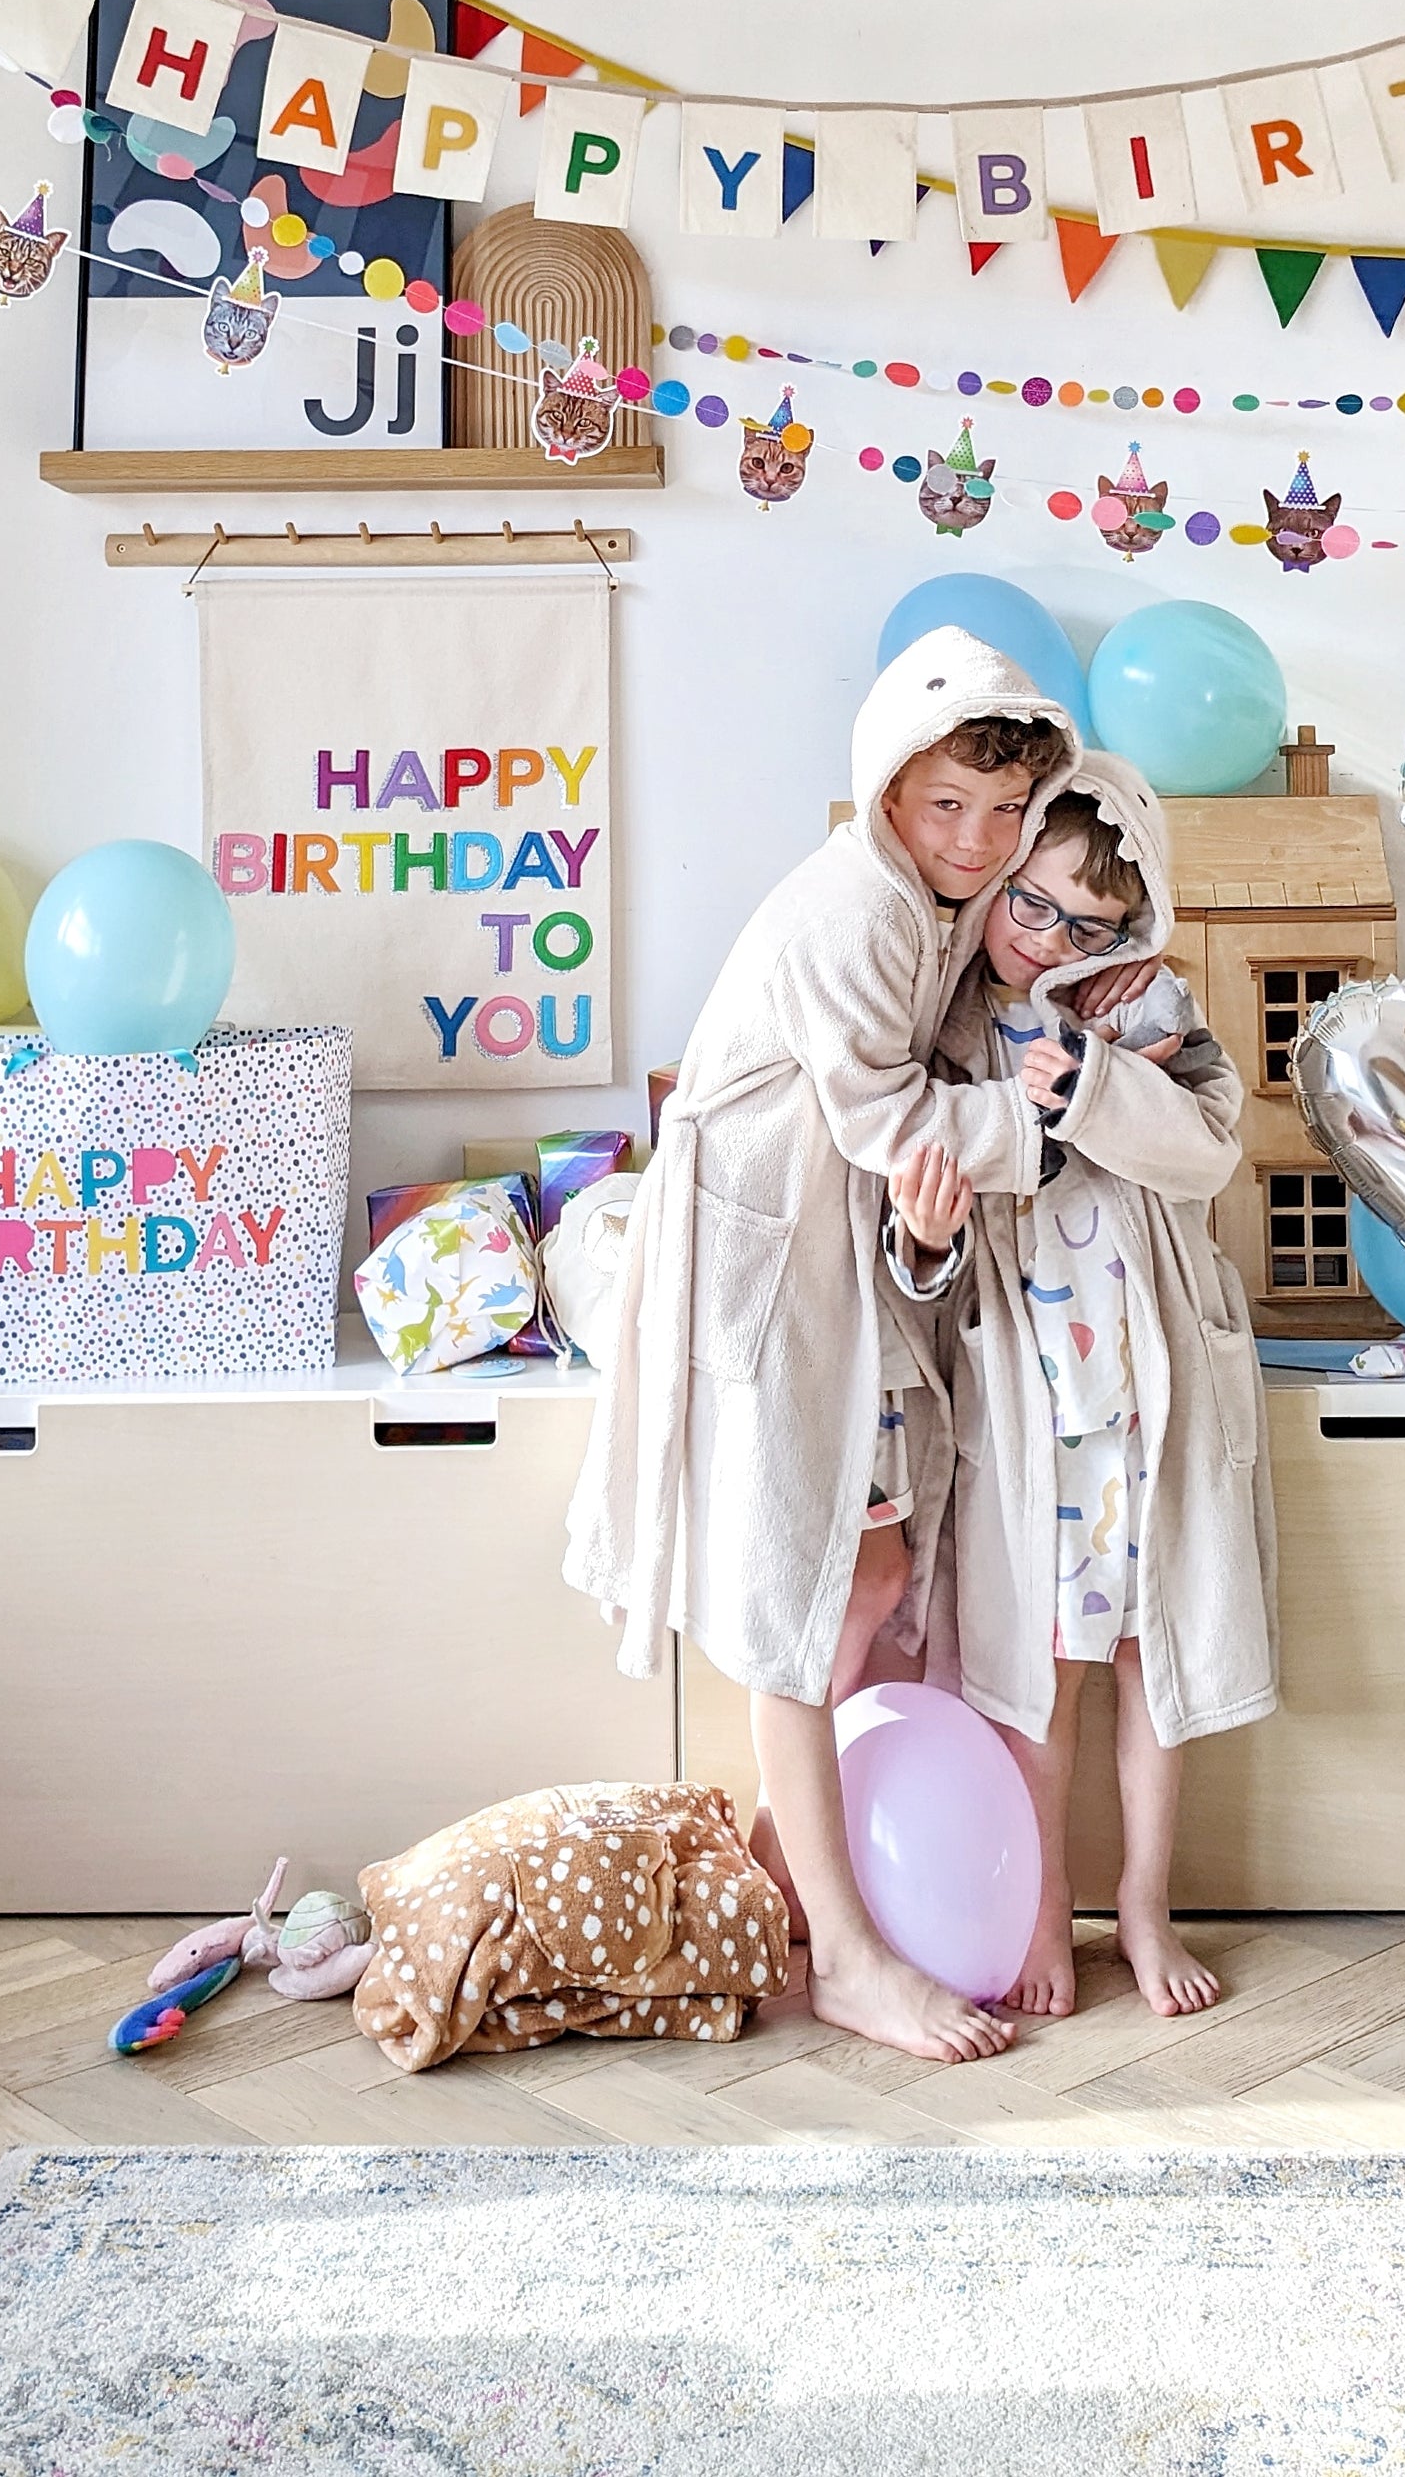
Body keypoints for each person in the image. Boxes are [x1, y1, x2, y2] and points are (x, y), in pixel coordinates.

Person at [565, 627, 1100, 2064]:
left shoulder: (938, 902)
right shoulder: (857, 907)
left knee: (860, 1573)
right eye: (947, 805)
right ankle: (852, 1957)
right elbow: (887, 1120)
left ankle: (774, 1885)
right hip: (763, 1268)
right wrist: (1051, 1123)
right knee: (799, 1594)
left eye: (1004, 811)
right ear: (885, 789)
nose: (977, 838)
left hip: (830, 1267)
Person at [886, 759, 1277, 2021]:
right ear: (996, 877)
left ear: (1130, 922)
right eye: (1031, 902)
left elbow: (1205, 1149)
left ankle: (1146, 1906)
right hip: (1036, 1404)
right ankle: (1045, 1900)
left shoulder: (1147, 1008)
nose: (1048, 938)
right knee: (1039, 1671)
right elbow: (917, 1217)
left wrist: (1101, 1072)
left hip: (1150, 1397)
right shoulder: (946, 1026)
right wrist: (927, 1233)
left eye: (1087, 921)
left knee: (1156, 1656)